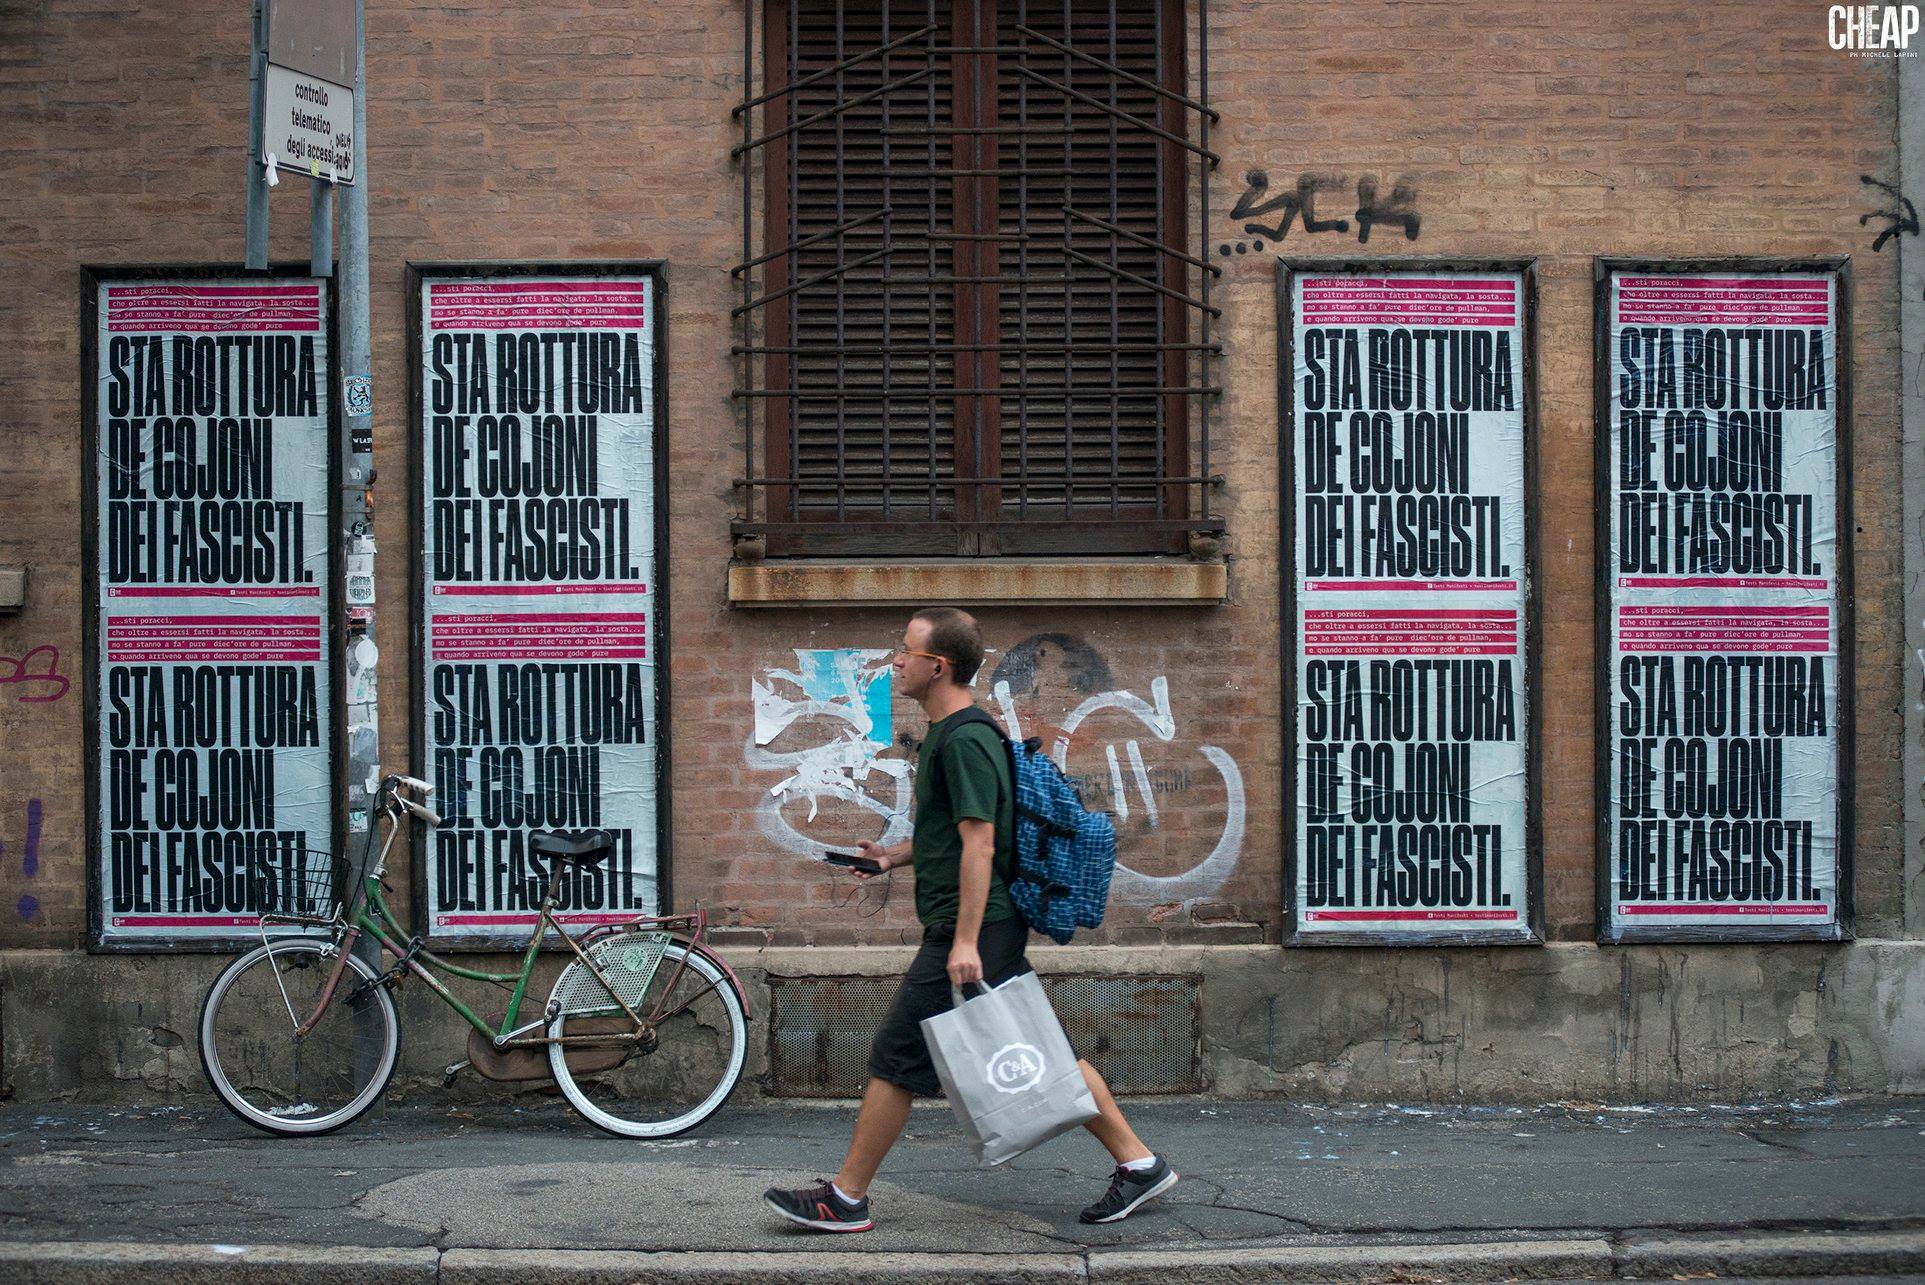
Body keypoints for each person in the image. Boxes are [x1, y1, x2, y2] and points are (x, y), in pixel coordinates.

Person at [764, 607, 1177, 1233]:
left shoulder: (964, 739)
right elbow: (954, 836)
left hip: (975, 928)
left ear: (940, 667)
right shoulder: (953, 735)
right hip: (980, 926)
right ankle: (1139, 1163)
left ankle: (846, 1198)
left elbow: (982, 843)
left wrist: (963, 943)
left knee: (896, 1056)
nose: (897, 660)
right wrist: (891, 858)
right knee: (1036, 1045)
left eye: (907, 652)